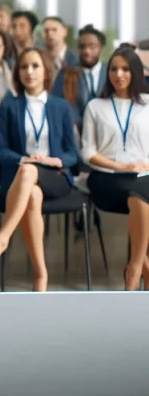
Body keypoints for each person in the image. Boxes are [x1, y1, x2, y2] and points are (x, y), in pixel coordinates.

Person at [0, 48, 78, 291]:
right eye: (24, 67)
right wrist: (25, 158)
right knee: (31, 189)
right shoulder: (9, 105)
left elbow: (73, 153)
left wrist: (56, 160)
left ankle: (2, 238)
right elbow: (0, 151)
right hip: (21, 177)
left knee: (31, 173)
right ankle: (40, 274)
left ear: (46, 71)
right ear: (17, 73)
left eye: (35, 66)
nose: (29, 72)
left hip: (55, 175)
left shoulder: (61, 106)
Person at [80, 47, 149, 291]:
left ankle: (136, 266)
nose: (118, 74)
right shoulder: (95, 106)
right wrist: (119, 165)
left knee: (141, 190)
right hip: (106, 177)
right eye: (114, 69)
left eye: (126, 69)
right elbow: (87, 152)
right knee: (141, 193)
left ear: (136, 72)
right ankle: (139, 267)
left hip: (143, 176)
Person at [53, 24, 106, 130]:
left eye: (92, 47)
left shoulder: (110, 73)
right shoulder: (66, 74)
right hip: (74, 133)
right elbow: (56, 105)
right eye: (82, 47)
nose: (86, 51)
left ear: (101, 47)